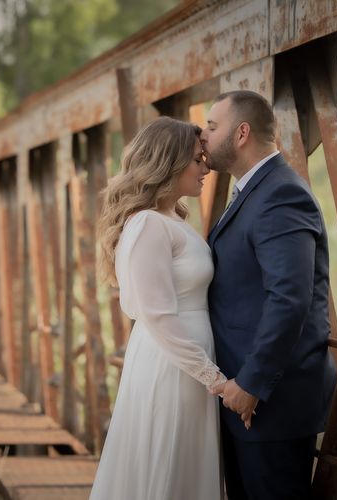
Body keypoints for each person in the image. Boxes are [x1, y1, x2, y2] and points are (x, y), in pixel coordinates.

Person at [203, 90, 337, 499]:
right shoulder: (253, 189)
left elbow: (289, 298)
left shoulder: (280, 194)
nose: (203, 137)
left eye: (212, 127)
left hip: (267, 403)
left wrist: (251, 384)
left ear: (241, 133)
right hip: (244, 400)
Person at [91, 116, 227, 500]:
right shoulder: (149, 224)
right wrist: (214, 378)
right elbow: (157, 315)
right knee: (166, 464)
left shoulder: (173, 219)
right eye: (197, 160)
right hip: (173, 365)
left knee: (182, 466)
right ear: (169, 161)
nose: (206, 168)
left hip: (189, 365)